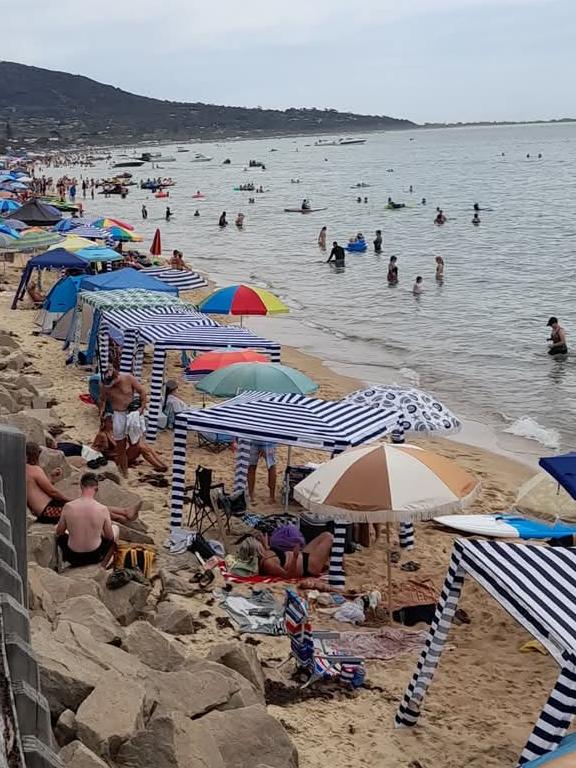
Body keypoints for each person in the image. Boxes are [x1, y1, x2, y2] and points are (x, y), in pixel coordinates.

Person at [55, 473, 119, 568]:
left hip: (72, 556)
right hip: (94, 556)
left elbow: (59, 532)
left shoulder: (68, 506)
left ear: (81, 486)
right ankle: (104, 565)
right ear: (96, 488)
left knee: (58, 530)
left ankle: (61, 564)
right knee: (116, 528)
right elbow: (109, 537)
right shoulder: (102, 509)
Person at [98, 368, 147, 478]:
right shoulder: (103, 385)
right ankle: (124, 471)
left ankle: (126, 462)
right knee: (120, 446)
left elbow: (142, 391)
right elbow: (102, 399)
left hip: (131, 413)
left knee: (135, 443)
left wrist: (141, 408)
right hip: (117, 414)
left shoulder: (128, 378)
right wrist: (101, 410)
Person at [230, 529, 334, 579]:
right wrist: (295, 557)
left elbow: (276, 555)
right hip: (309, 566)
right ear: (257, 550)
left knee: (324, 535)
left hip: (304, 557)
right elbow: (289, 576)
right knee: (329, 537)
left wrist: (266, 545)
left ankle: (329, 564)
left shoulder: (264, 555)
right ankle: (333, 565)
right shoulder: (268, 564)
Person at [93, 415, 168, 473]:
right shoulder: (102, 435)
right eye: (111, 422)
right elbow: (94, 448)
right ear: (105, 423)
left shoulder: (115, 431)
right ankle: (159, 466)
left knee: (143, 445)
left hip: (122, 455)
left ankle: (161, 464)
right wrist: (103, 448)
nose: (114, 423)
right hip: (115, 459)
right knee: (141, 447)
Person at [26, 442, 72, 523]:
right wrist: (70, 500)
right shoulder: (35, 469)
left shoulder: (24, 469)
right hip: (47, 511)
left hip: (43, 510)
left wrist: (51, 476)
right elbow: (52, 492)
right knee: (79, 510)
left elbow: (40, 489)